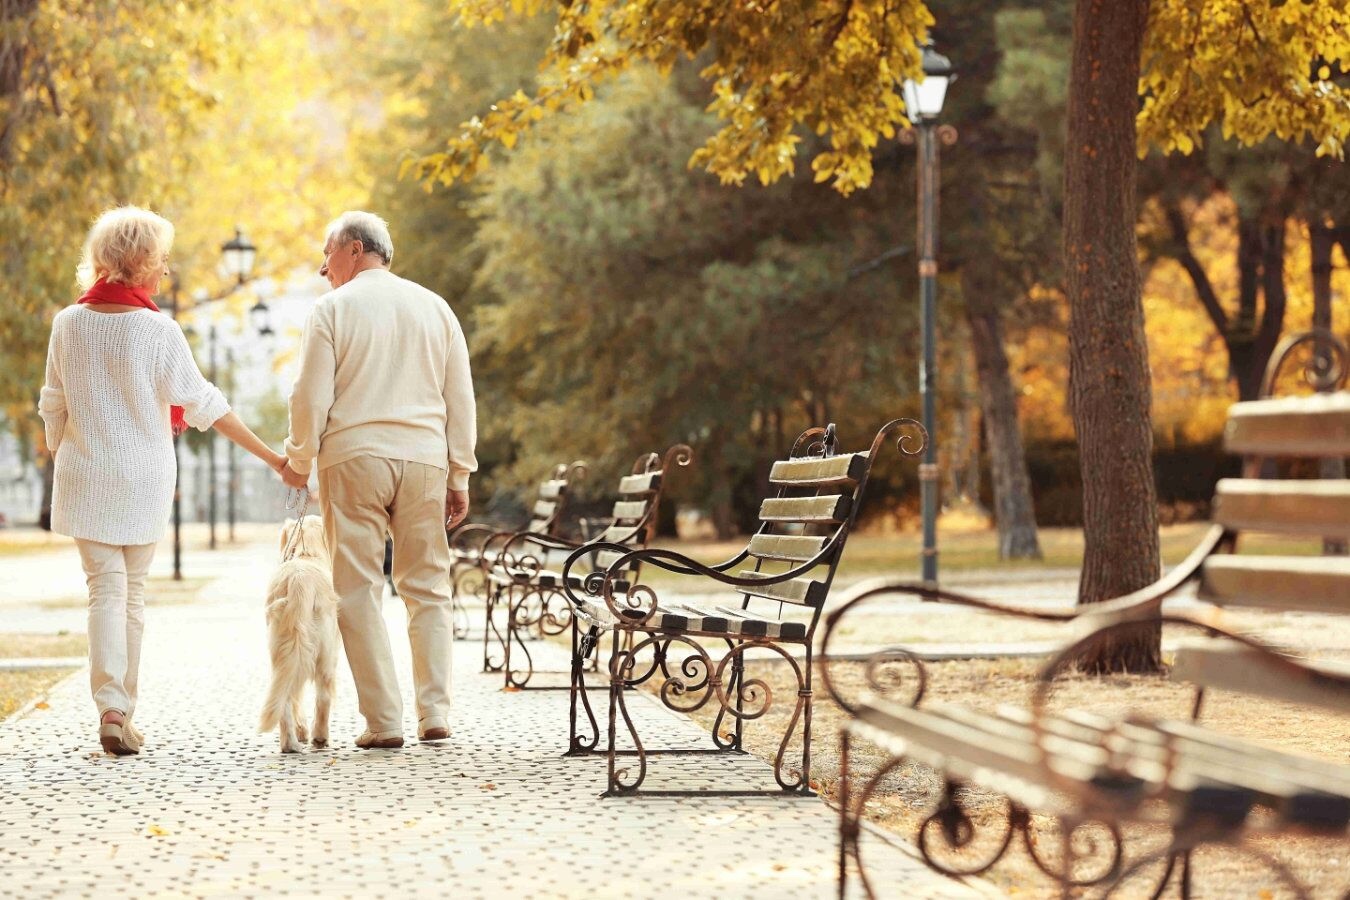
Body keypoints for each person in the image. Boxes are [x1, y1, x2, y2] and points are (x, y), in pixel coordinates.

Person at [38, 206, 286, 756]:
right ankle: (122, 709)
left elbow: (52, 405)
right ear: (142, 261)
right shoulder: (157, 331)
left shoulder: (67, 324)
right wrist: (274, 459)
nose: (166, 271)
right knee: (132, 596)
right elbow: (207, 406)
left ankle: (111, 708)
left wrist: (69, 453)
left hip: (86, 477)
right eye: (163, 260)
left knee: (103, 590)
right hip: (143, 477)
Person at [281, 210, 476, 749]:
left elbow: (309, 395)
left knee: (358, 589)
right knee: (428, 586)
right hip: (423, 460)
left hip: (354, 458)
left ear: (354, 249)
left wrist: (299, 458)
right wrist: (459, 472)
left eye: (327, 255)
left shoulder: (332, 310)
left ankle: (385, 721)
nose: (324, 269)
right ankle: (434, 713)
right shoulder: (436, 308)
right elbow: (459, 397)